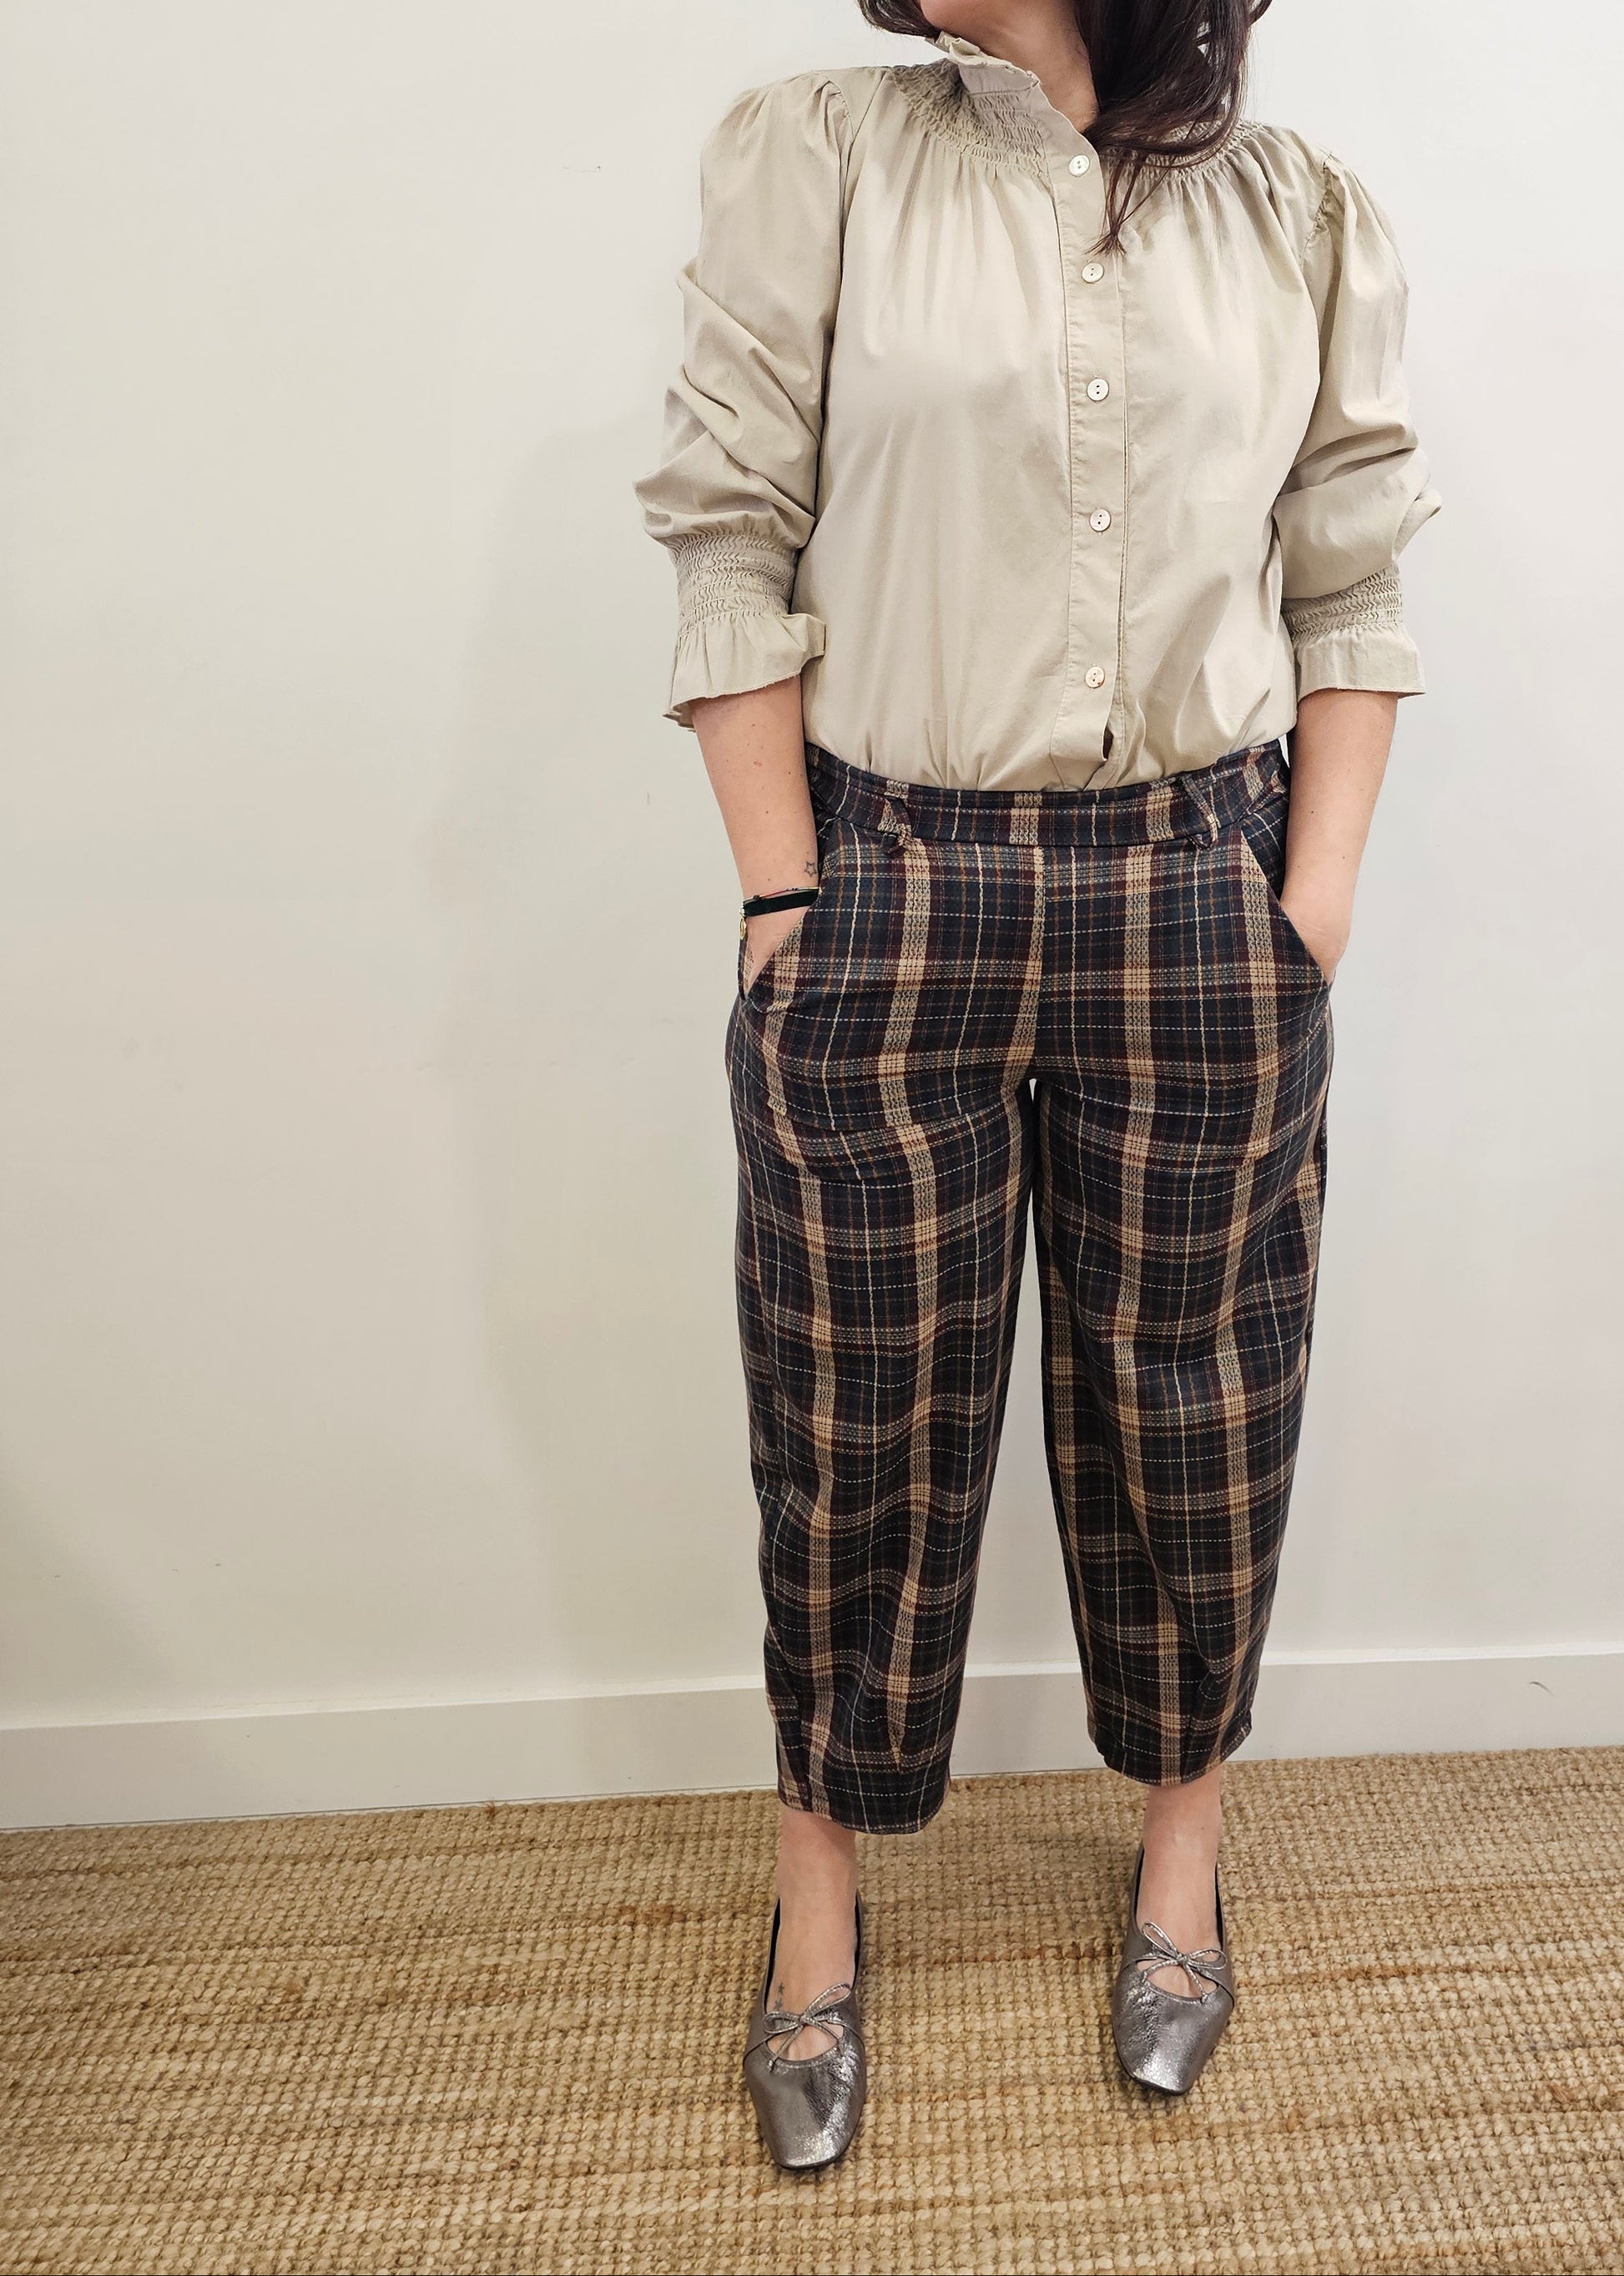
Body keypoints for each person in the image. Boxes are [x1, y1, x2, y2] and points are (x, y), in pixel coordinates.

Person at [633, 0, 1439, 2169]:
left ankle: (1181, 1853)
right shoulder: (821, 150)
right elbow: (726, 521)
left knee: (1199, 1397)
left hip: (1201, 886)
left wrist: (1309, 905)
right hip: (888, 885)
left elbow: (1350, 565)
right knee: (854, 1407)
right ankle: (818, 1891)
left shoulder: (1293, 209)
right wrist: (780, 891)